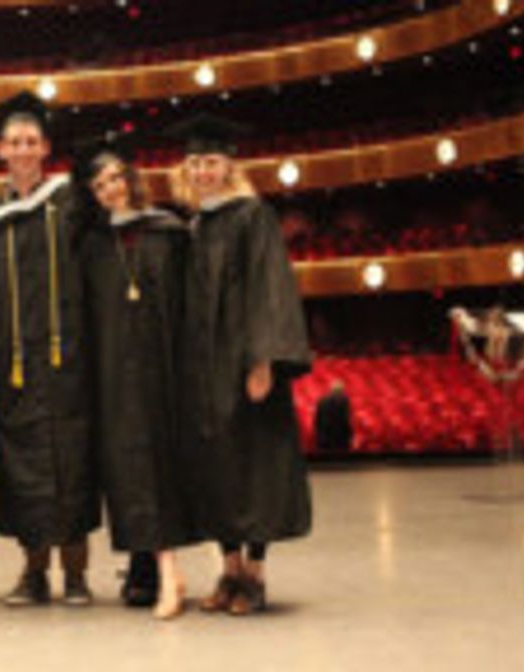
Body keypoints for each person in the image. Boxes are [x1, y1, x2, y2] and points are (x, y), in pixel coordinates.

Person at [170, 113, 314, 616]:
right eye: (195, 163)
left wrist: (263, 360)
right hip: (203, 370)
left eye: (211, 162)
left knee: (255, 467)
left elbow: (270, 289)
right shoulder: (195, 225)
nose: (203, 171)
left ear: (229, 166)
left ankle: (254, 574)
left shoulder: (252, 216)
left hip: (245, 364)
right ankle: (228, 570)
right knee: (216, 470)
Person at [0, 91, 99, 607]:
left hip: (68, 360)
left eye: (32, 141)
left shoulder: (71, 205)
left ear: (45, 147)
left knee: (73, 463)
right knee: (23, 465)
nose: (23, 150)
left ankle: (75, 573)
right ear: (0, 149)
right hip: (15, 367)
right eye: (14, 142)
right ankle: (32, 571)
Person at [73, 134, 201, 619]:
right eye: (100, 184)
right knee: (128, 474)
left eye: (116, 178)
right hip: (115, 377)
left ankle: (167, 572)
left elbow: (190, 305)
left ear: (131, 179)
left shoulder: (169, 232)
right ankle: (147, 569)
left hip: (165, 369)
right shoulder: (91, 246)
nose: (111, 189)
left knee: (163, 470)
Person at [314, 379, 352, 454]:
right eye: (339, 390)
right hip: (328, 436)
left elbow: (346, 419)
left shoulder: (344, 401)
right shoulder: (324, 402)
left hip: (338, 436)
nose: (340, 392)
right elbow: (318, 420)